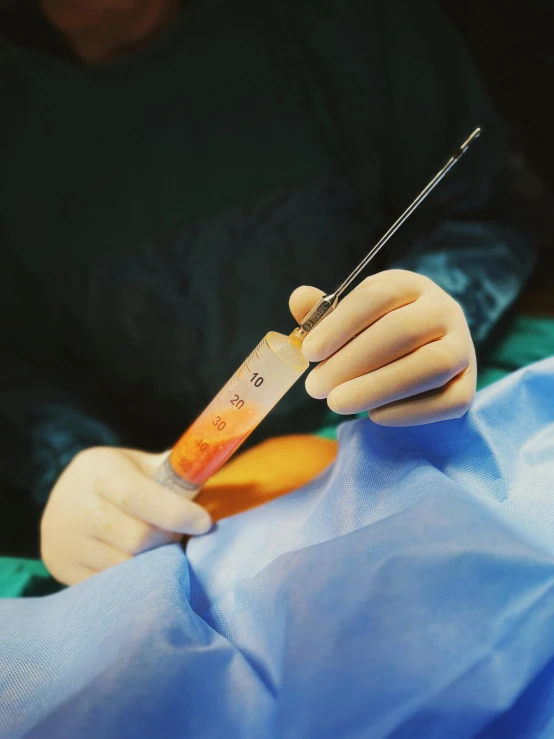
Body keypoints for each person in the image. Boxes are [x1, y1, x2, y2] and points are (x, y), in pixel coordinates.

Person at [0, 0, 535, 584]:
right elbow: (17, 369)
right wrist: (70, 462)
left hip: (389, 447)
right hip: (178, 513)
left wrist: (421, 320)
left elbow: (483, 215)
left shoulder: (344, 29)